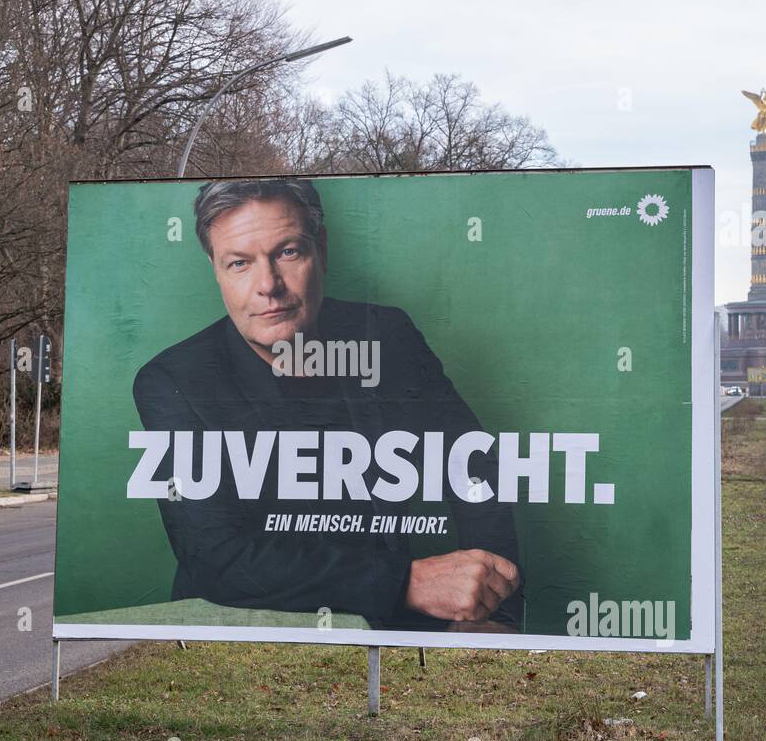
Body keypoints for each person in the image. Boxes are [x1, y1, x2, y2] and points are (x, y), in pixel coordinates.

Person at [132, 178, 523, 632]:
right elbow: (216, 559)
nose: (268, 286)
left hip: (391, 623)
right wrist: (407, 582)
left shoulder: (386, 334)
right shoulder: (172, 380)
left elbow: (474, 466)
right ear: (215, 268)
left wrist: (497, 612)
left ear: (322, 247)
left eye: (288, 252)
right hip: (241, 636)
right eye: (239, 263)